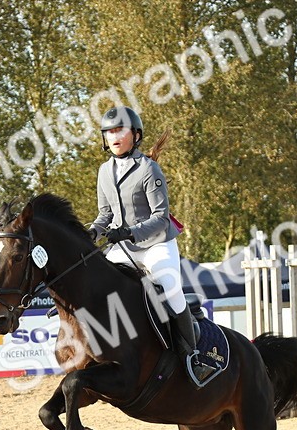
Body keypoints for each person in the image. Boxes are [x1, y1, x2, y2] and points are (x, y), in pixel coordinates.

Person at [88, 106, 214, 385]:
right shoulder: (104, 171)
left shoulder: (148, 168)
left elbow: (160, 218)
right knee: (99, 283)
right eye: (109, 132)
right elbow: (105, 214)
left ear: (135, 134)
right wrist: (93, 231)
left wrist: (129, 232)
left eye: (120, 130)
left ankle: (192, 356)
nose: (114, 136)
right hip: (123, 245)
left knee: (169, 287)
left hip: (156, 243)